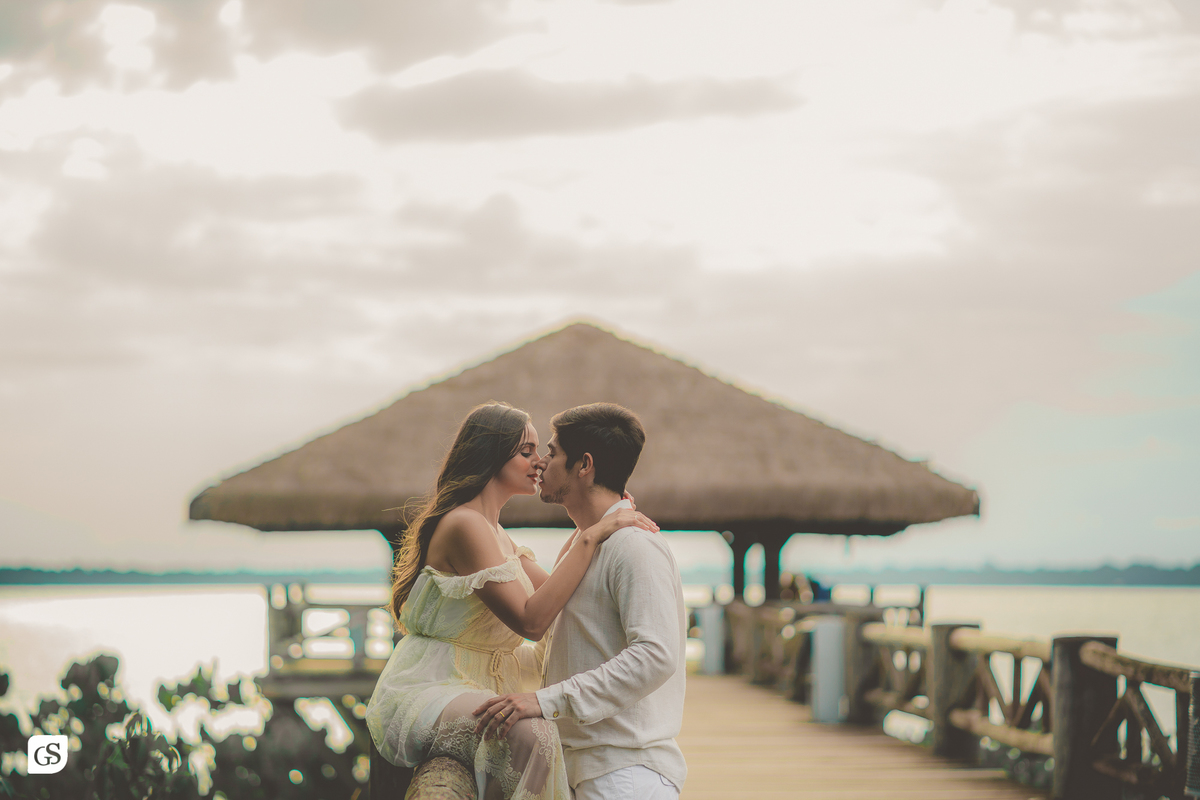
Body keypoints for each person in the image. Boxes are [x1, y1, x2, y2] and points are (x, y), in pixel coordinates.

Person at [365, 402, 659, 800]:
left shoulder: (496, 532)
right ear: (490, 454)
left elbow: (558, 594)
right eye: (526, 451)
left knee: (533, 729)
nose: (539, 462)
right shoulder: (465, 524)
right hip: (433, 683)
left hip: (478, 685)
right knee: (532, 732)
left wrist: (600, 516)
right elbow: (531, 621)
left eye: (540, 450)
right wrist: (591, 536)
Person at [473, 403, 688, 800]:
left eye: (552, 453)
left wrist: (543, 701)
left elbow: (656, 654)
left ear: (583, 465)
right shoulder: (586, 544)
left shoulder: (634, 545)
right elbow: (561, 652)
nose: (541, 463)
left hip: (625, 775)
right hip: (586, 771)